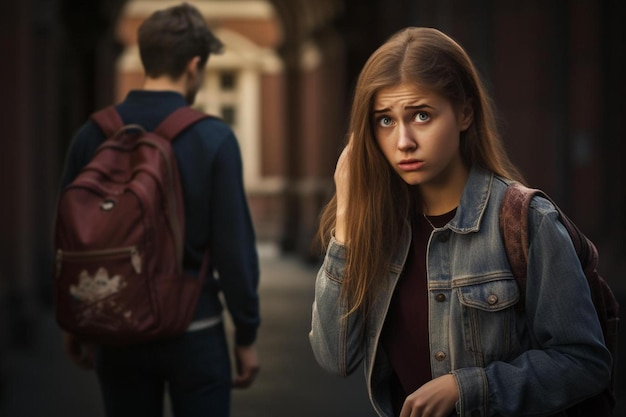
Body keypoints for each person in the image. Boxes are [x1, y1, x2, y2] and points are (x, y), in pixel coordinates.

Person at [309, 27, 611, 417]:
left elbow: (585, 363)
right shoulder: (379, 229)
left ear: (465, 113)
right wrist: (349, 219)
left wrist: (467, 387)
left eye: (421, 115)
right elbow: (335, 358)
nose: (403, 141)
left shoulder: (526, 222)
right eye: (385, 120)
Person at [59, 3, 260, 416]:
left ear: (146, 57)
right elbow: (233, 249)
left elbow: (67, 233)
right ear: (194, 65)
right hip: (196, 328)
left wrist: (75, 318)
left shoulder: (92, 134)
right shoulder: (214, 138)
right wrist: (245, 333)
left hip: (117, 324)